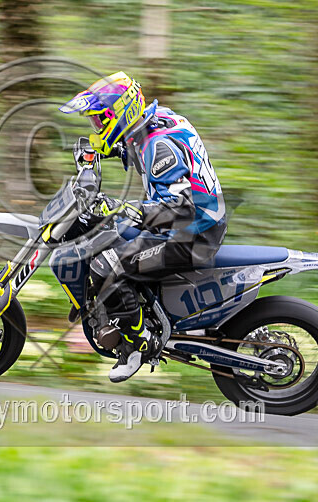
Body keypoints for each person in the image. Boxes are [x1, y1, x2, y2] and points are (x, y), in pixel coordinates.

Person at [60, 71, 227, 382]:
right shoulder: (150, 124)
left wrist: (131, 210)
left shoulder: (157, 146)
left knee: (105, 265)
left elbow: (180, 207)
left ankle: (137, 346)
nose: (96, 128)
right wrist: (92, 158)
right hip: (190, 225)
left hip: (192, 234)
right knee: (112, 241)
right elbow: (132, 148)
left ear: (119, 113)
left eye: (99, 121)